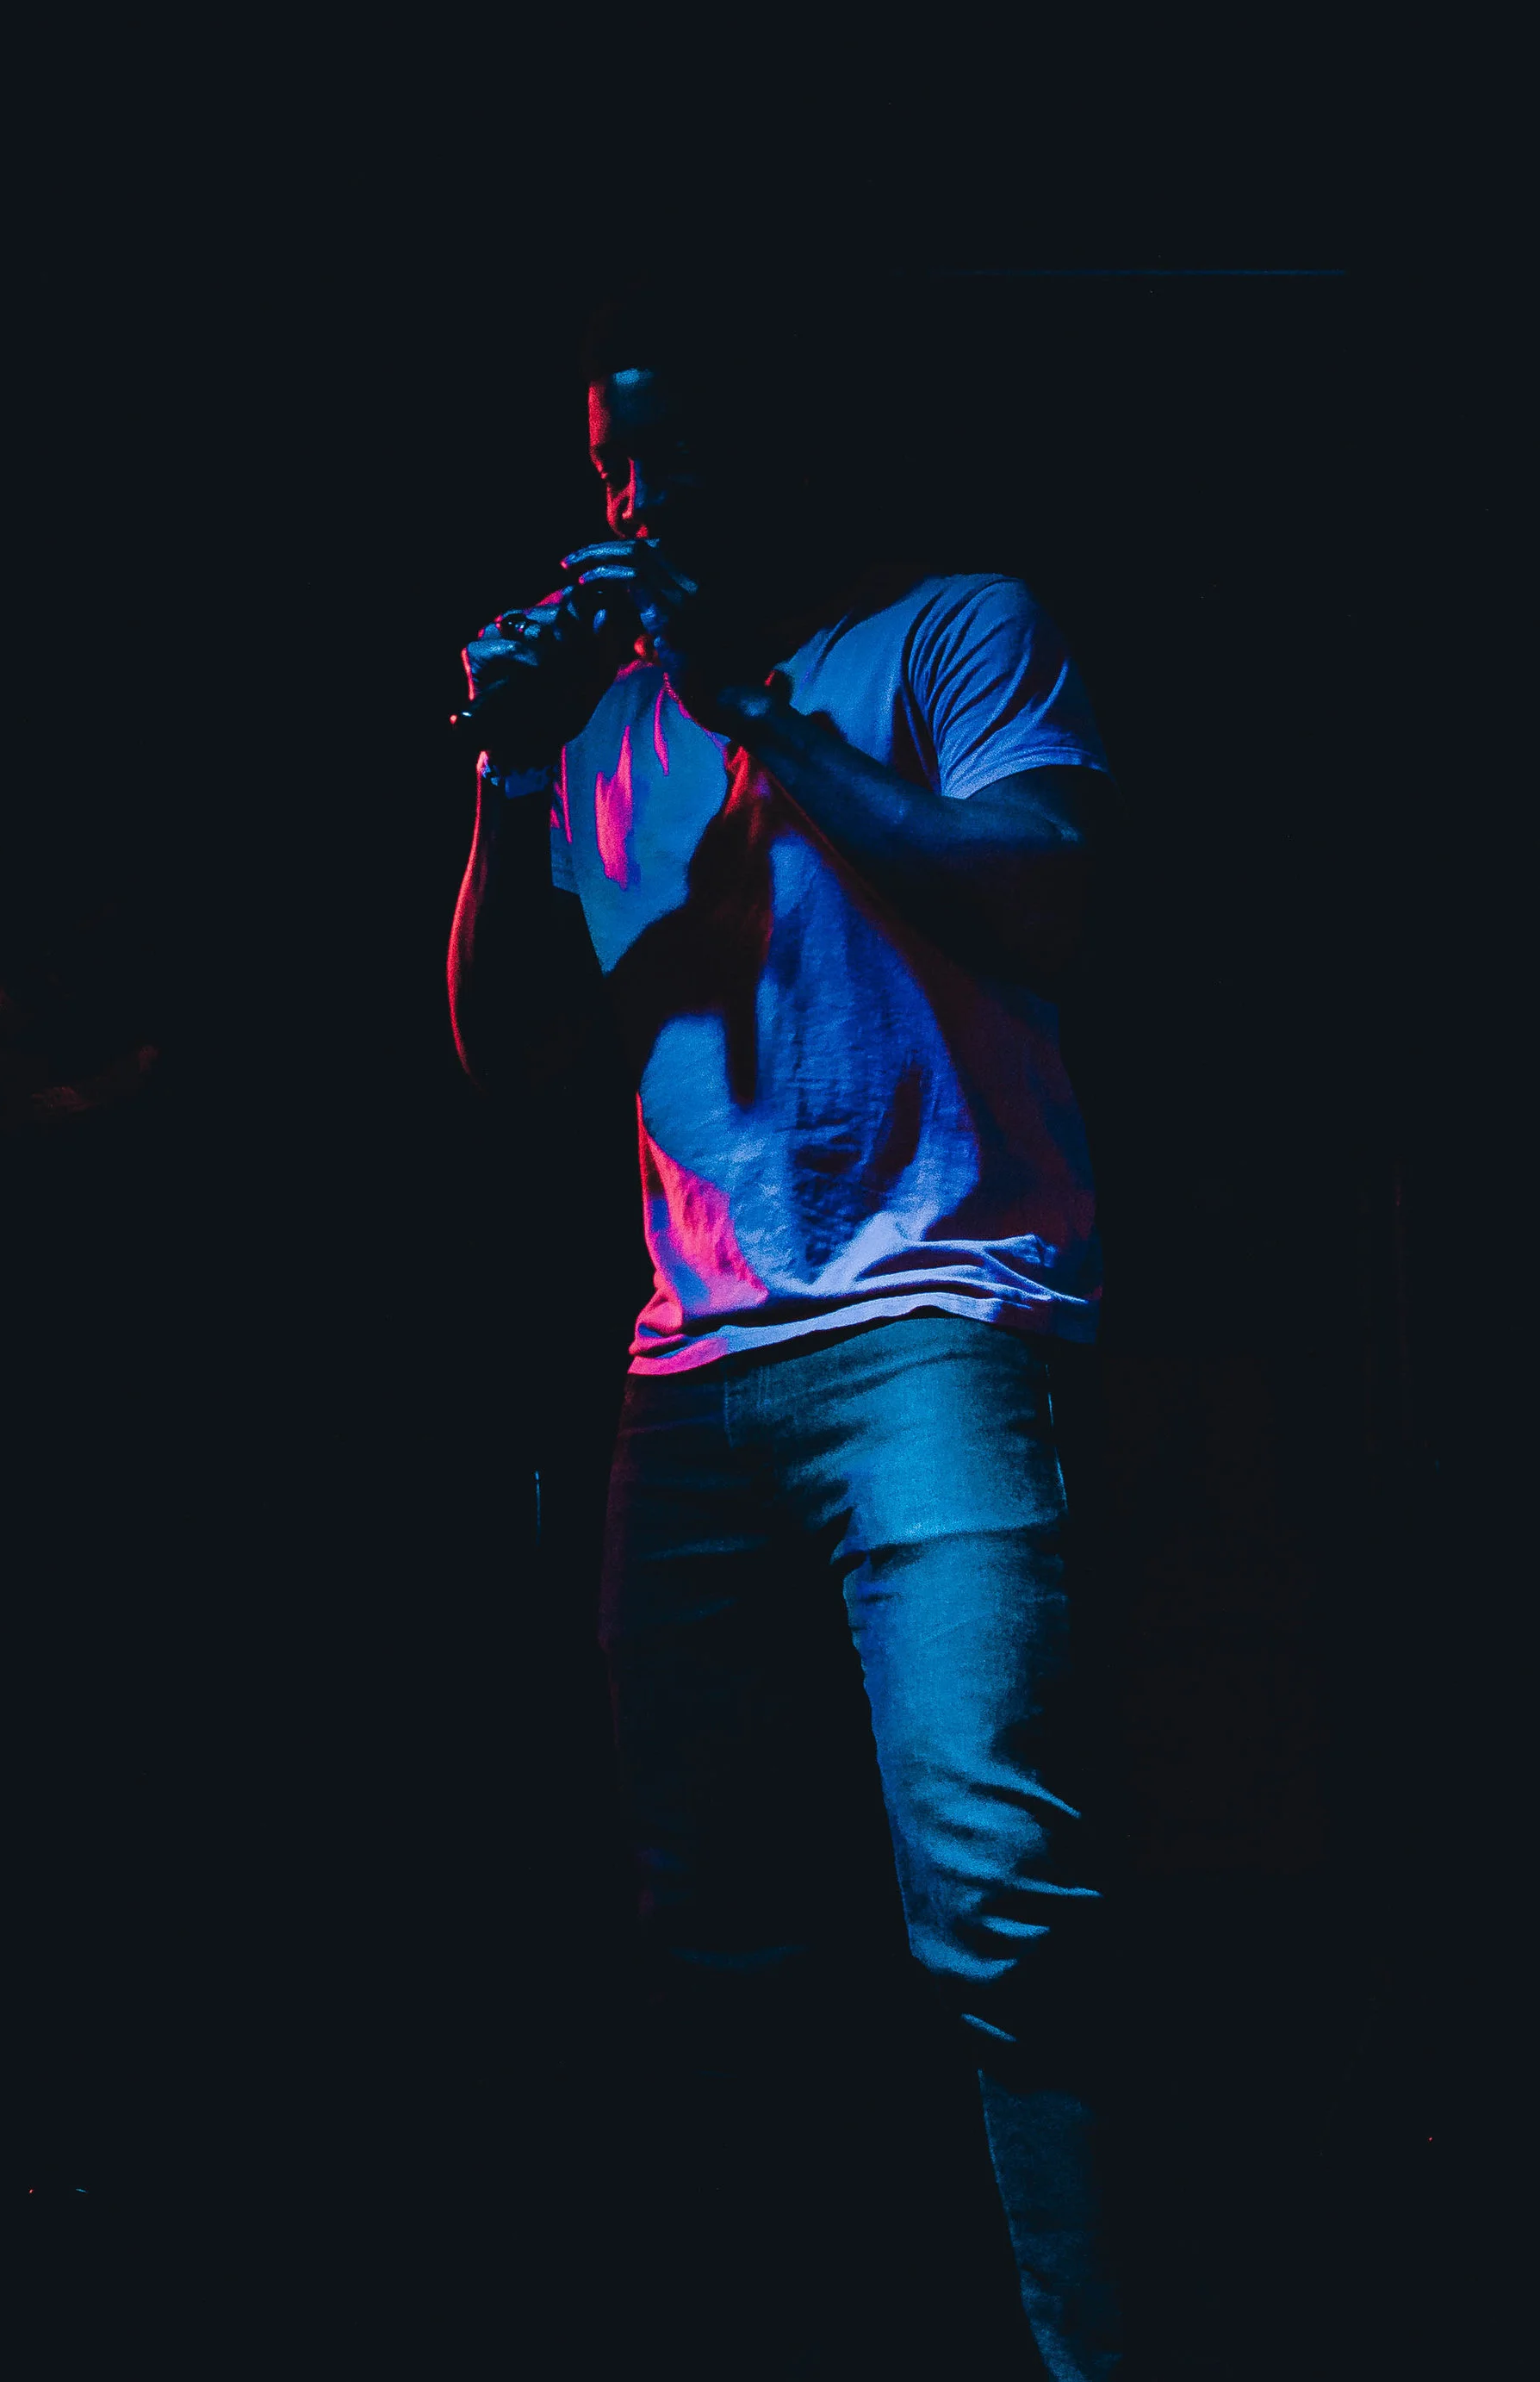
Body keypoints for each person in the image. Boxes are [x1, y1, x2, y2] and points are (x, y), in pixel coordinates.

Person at [446, 283, 1124, 2379]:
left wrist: (773, 718)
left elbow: (1041, 890)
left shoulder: (946, 630)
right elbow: (499, 1050)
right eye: (605, 465)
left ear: (771, 446)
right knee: (716, 1934)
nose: (632, 502)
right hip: (690, 1377)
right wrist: (504, 774)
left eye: (668, 451)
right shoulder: (605, 737)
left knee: (997, 1902)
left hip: (935, 1327)